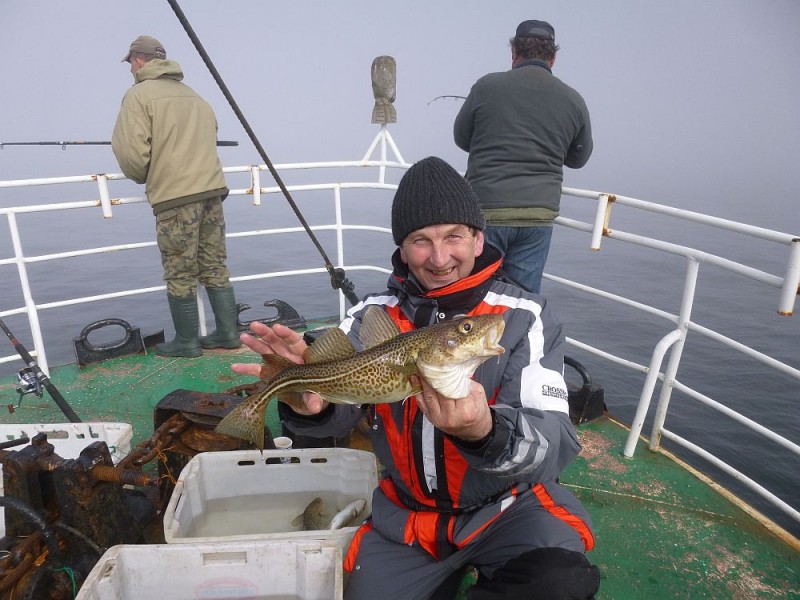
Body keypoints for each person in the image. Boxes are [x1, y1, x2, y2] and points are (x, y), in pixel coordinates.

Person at [232, 156, 600, 599]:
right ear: (402, 250)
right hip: (408, 516)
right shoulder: (371, 315)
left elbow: (555, 444)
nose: (440, 257)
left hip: (507, 509)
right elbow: (337, 412)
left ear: (479, 239)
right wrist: (310, 405)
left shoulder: (524, 316)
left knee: (556, 583)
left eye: (454, 236)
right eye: (421, 240)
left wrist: (485, 432)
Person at [112, 35, 241, 358]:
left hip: (176, 198)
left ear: (139, 60)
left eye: (130, 62)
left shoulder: (138, 96)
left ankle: (187, 341)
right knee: (214, 264)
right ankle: (227, 332)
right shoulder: (195, 96)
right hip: (211, 191)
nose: (130, 68)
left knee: (179, 271)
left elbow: (131, 155)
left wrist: (146, 175)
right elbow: (209, 137)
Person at [453, 20, 593, 294]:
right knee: (521, 301)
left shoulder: (486, 86)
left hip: (486, 209)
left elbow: (461, 138)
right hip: (537, 216)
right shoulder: (573, 99)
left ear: (514, 52)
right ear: (553, 57)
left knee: (473, 296)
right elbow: (579, 158)